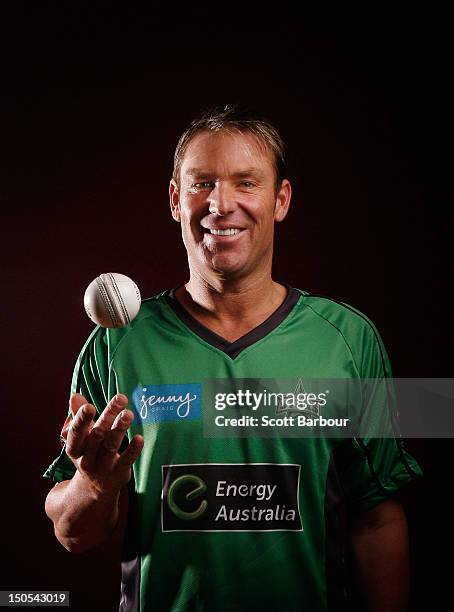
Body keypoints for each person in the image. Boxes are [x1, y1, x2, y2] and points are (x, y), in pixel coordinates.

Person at [44, 104, 422, 612]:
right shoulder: (117, 344)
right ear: (176, 200)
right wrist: (92, 485)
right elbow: (73, 535)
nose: (221, 204)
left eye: (246, 183)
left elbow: (377, 517)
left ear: (280, 200)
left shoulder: (349, 339)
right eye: (201, 184)